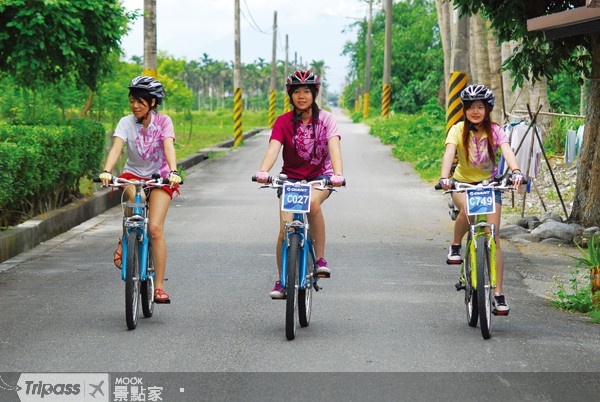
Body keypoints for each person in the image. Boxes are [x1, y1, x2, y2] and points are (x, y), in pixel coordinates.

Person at [255, 70, 345, 299]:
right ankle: (283, 280)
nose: (302, 96)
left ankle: (321, 259)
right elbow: (273, 149)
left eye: (307, 91)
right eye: (297, 92)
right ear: (290, 95)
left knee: (313, 205)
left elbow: (334, 146)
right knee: (284, 232)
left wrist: (338, 174)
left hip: (320, 177)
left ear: (314, 93)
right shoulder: (283, 122)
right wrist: (264, 171)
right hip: (291, 180)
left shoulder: (326, 120)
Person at [439, 84, 523, 315]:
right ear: (464, 110)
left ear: (487, 109)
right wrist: (444, 178)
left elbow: (506, 150)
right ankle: (456, 245)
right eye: (470, 107)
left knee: (493, 236)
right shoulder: (457, 130)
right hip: (462, 185)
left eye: (480, 107)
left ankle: (498, 293)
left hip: (490, 185)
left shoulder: (496, 130)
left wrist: (515, 171)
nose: (475, 111)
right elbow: (449, 153)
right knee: (467, 212)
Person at [99, 75, 181, 304]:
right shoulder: (125, 123)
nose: (135, 105)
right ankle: (126, 236)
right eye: (132, 100)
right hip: (133, 175)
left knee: (155, 229)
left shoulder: (164, 122)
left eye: (140, 101)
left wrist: (173, 172)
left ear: (152, 102)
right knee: (134, 204)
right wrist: (107, 170)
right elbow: (117, 148)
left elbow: (168, 146)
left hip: (160, 178)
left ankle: (160, 287)